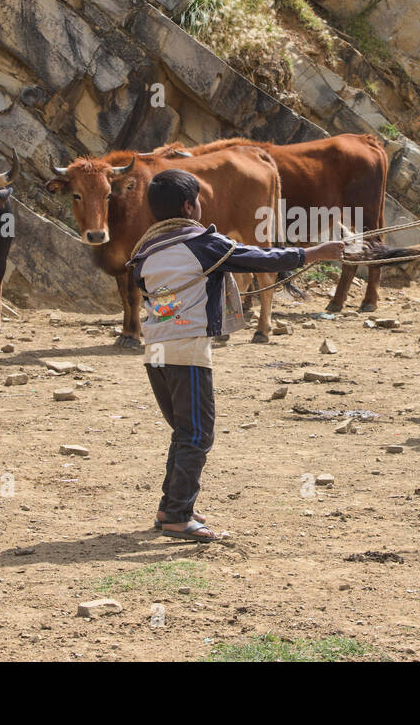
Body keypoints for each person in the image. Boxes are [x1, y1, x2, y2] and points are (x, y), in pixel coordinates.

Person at [126, 169, 345, 542]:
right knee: (197, 434)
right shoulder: (203, 244)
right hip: (188, 352)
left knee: (185, 432)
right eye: (198, 200)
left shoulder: (146, 252)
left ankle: (171, 507)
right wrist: (314, 253)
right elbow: (259, 258)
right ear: (188, 205)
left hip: (156, 354)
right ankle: (178, 515)